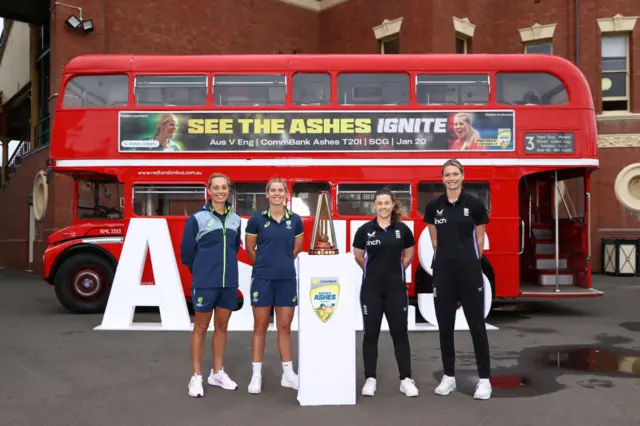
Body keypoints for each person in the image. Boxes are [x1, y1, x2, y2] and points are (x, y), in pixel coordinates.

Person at [423, 159, 492, 400]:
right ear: (442, 179)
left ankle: (484, 380)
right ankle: (449, 377)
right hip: (443, 274)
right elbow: (434, 241)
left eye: (455, 174)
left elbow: (480, 242)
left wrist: (467, 263)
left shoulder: (474, 205)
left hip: (469, 273)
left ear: (463, 176)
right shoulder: (433, 207)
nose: (451, 178)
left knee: (477, 326)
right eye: (447, 175)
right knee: (445, 327)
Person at [352, 187, 419, 398]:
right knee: (370, 334)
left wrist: (397, 271)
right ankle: (370, 379)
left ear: (392, 205)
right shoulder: (364, 230)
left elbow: (408, 255)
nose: (383, 207)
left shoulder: (402, 230)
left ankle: (406, 379)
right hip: (371, 290)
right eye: (379, 204)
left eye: (387, 203)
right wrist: (373, 272)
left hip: (396, 290)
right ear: (374, 206)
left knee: (400, 334)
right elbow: (359, 256)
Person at [180, 172, 242, 398]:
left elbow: (234, 247)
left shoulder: (236, 220)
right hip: (205, 283)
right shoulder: (196, 219)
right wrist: (201, 272)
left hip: (228, 283)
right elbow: (187, 253)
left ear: (228, 190)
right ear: (209, 190)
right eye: (216, 187)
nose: (220, 191)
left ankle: (217, 372)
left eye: (224, 187)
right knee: (201, 328)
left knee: (222, 327)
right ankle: (196, 377)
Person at [244, 178, 304, 394]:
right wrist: (265, 265)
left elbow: (296, 249)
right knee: (259, 327)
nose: (277, 193)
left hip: (286, 279)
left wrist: (281, 264)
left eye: (280, 190)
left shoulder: (295, 220)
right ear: (267, 194)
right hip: (262, 279)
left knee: (285, 328)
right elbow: (250, 248)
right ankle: (256, 375)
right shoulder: (257, 219)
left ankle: (288, 374)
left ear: (286, 194)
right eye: (273, 190)